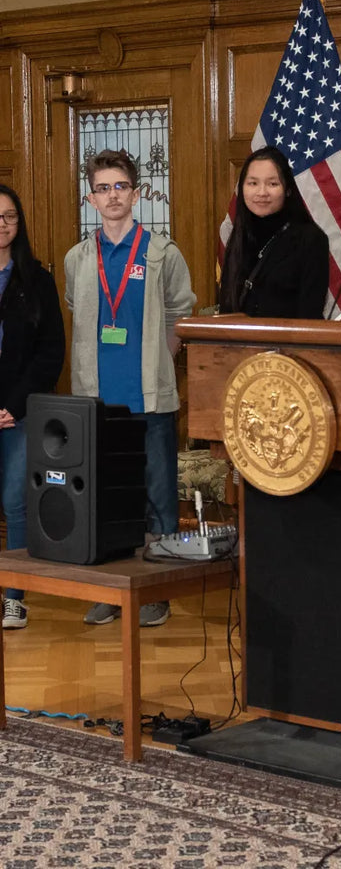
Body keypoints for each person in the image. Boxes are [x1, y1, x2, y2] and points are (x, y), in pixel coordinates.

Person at [64, 149, 196, 627]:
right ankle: (112, 591)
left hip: (150, 397)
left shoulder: (162, 252)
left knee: (159, 495)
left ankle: (155, 592)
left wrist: (163, 359)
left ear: (136, 194)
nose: (112, 195)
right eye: (103, 188)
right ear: (91, 198)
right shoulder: (78, 258)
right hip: (98, 401)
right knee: (107, 496)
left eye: (120, 186)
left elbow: (182, 313)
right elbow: (77, 309)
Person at [0, 185, 65, 629]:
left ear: (18, 223)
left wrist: (13, 405)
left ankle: (14, 597)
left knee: (15, 502)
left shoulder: (36, 278)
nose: (1, 224)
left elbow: (51, 351)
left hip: (17, 413)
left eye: (9, 216)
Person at [218, 146, 329, 318]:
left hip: (289, 343)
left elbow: (310, 315)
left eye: (272, 184)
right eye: (253, 183)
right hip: (238, 343)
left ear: (288, 189)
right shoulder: (240, 235)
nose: (262, 193)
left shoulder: (310, 239)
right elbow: (227, 308)